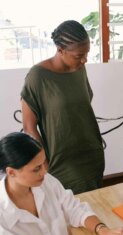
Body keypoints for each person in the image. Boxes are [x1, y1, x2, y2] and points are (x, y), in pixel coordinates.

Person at [21, 20, 104, 194]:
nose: (84, 60)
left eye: (86, 54)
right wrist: (43, 162)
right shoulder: (38, 76)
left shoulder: (79, 68)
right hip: (62, 159)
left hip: (91, 151)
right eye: (78, 56)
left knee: (95, 203)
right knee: (71, 210)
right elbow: (29, 127)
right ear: (60, 50)